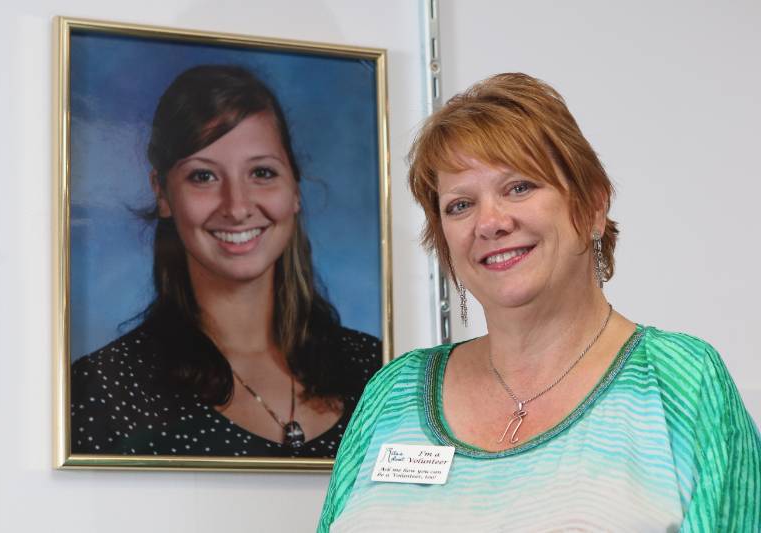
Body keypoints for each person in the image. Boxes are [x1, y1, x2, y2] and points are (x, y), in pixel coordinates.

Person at [319, 73, 760, 531]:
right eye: (460, 205)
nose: (490, 223)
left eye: (519, 187)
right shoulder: (393, 393)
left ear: (592, 207)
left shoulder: (682, 382)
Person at [70, 65, 381, 458]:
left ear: (295, 189)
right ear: (162, 194)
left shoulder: (375, 367)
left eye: (262, 172)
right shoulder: (100, 391)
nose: (236, 207)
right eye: (203, 177)